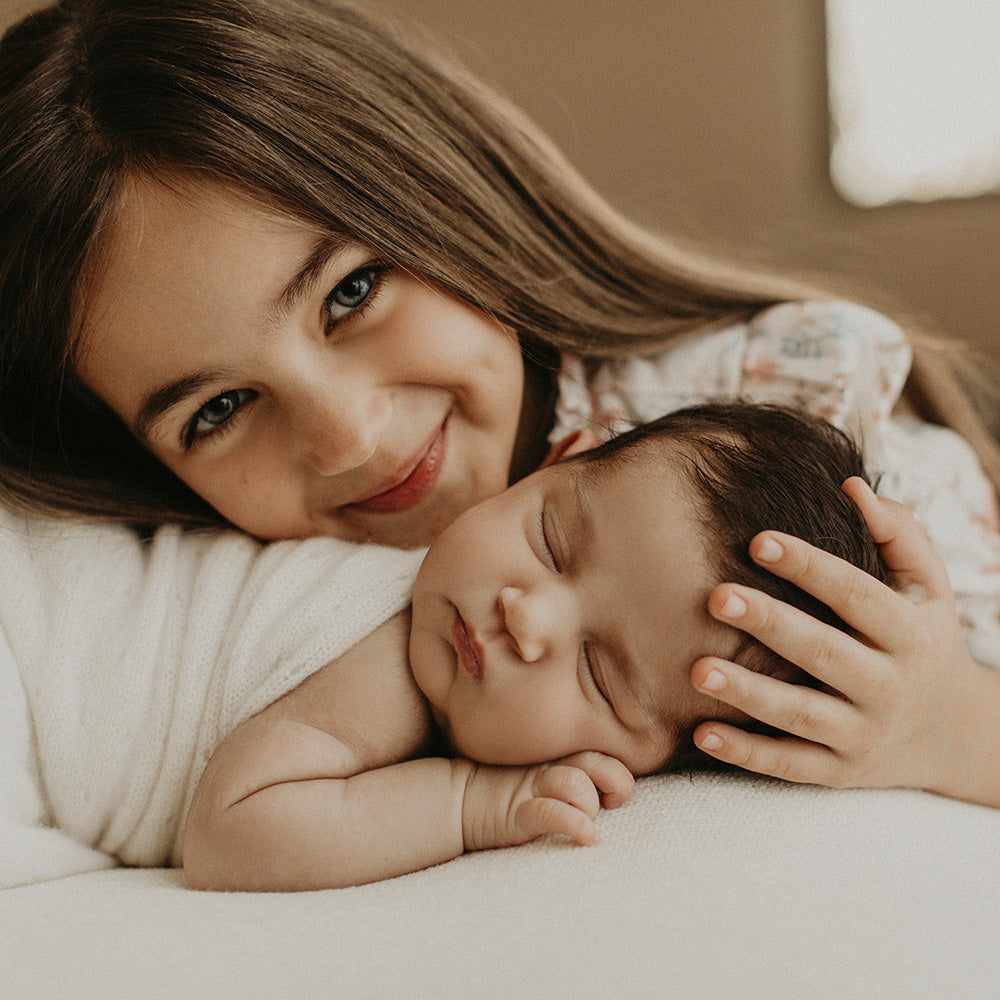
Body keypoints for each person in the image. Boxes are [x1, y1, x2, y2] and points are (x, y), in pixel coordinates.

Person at [1, 0, 999, 792]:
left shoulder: (788, 403)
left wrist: (947, 722)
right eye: (215, 410)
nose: (349, 434)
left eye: (350, 292)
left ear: (446, 195)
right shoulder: (187, 595)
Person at [186, 401, 959, 893]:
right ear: (551, 464)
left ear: (650, 765)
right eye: (551, 541)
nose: (528, 618)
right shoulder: (385, 659)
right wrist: (471, 804)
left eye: (596, 671)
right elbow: (227, 832)